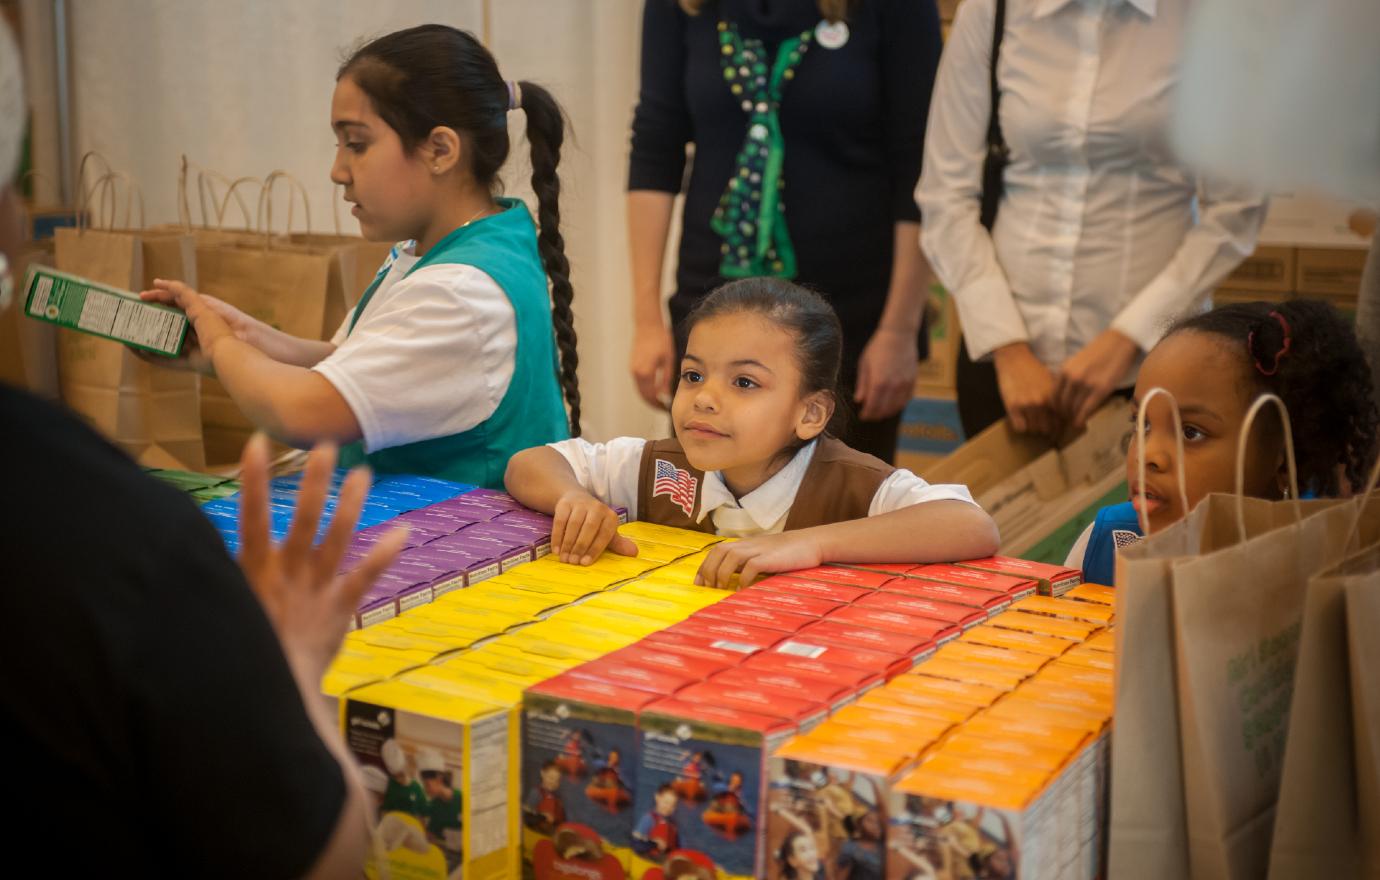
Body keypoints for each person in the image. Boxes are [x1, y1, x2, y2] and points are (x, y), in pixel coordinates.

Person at [140, 24, 579, 488]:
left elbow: (301, 412)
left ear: (440, 150)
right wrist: (245, 337)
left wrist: (219, 344)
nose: (337, 172)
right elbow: (346, 360)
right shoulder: (459, 243)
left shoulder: (460, 291)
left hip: (464, 548)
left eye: (357, 144)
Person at [918, 0, 1267, 440]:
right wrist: (1009, 350)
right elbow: (944, 192)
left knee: (1144, 510)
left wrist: (1126, 339)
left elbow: (1236, 211)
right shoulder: (993, 9)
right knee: (994, 512)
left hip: (1153, 368)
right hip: (1006, 370)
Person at [506, 279, 998, 589]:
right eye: (693, 375)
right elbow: (529, 463)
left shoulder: (853, 484)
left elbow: (972, 526)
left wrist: (813, 545)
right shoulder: (655, 467)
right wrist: (572, 496)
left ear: (810, 414)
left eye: (744, 382)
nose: (704, 398)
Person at [627, 0, 944, 463]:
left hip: (851, 320)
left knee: (841, 516)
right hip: (713, 312)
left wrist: (899, 327)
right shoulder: (681, 7)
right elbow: (656, 143)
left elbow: (920, 160)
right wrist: (646, 321)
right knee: (709, 503)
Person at [1066, 298, 1379, 584]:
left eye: (1191, 433)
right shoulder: (1105, 545)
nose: (1148, 455)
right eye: (1142, 423)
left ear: (1283, 456)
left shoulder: (1329, 563)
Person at [418, 749, 464, 869]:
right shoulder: (434, 806)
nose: (426, 790)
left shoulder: (463, 799)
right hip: (450, 858)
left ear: (439, 779)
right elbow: (431, 835)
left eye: (427, 784)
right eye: (424, 785)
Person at [380, 738, 428, 820]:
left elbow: (424, 813)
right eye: (396, 777)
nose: (399, 780)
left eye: (401, 775)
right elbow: (385, 809)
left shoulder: (416, 787)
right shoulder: (390, 785)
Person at [632, 784, 681, 861]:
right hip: (648, 859)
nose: (668, 807)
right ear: (657, 797)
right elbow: (635, 844)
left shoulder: (673, 824)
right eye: (666, 802)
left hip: (665, 859)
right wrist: (654, 843)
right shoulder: (649, 819)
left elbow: (676, 846)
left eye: (673, 805)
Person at [525, 760, 567, 834]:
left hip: (553, 832)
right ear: (542, 773)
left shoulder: (558, 798)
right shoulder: (536, 793)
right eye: (551, 778)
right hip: (537, 832)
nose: (553, 783)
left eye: (557, 781)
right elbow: (526, 818)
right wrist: (542, 816)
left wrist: (556, 820)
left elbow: (563, 820)